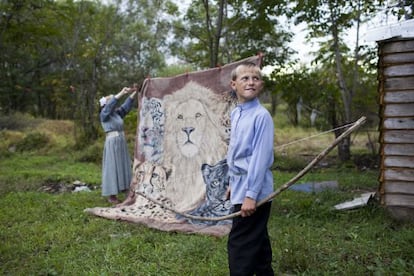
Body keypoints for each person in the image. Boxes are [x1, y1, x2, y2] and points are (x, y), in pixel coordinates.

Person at [226, 62, 275, 275]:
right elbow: (235, 152)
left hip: (253, 190)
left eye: (255, 78)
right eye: (245, 78)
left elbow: (259, 159)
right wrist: (231, 182)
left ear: (261, 85)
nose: (250, 82)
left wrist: (251, 195)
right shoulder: (237, 114)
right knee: (257, 241)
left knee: (240, 245)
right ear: (234, 84)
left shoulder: (261, 116)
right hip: (240, 186)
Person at [99, 85, 137, 204]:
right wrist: (121, 93)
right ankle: (112, 195)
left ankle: (126, 189)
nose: (113, 100)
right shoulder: (104, 114)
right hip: (112, 142)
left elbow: (125, 107)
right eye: (111, 99)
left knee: (123, 165)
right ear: (106, 104)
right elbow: (109, 106)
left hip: (120, 141)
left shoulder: (116, 114)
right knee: (112, 167)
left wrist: (134, 93)